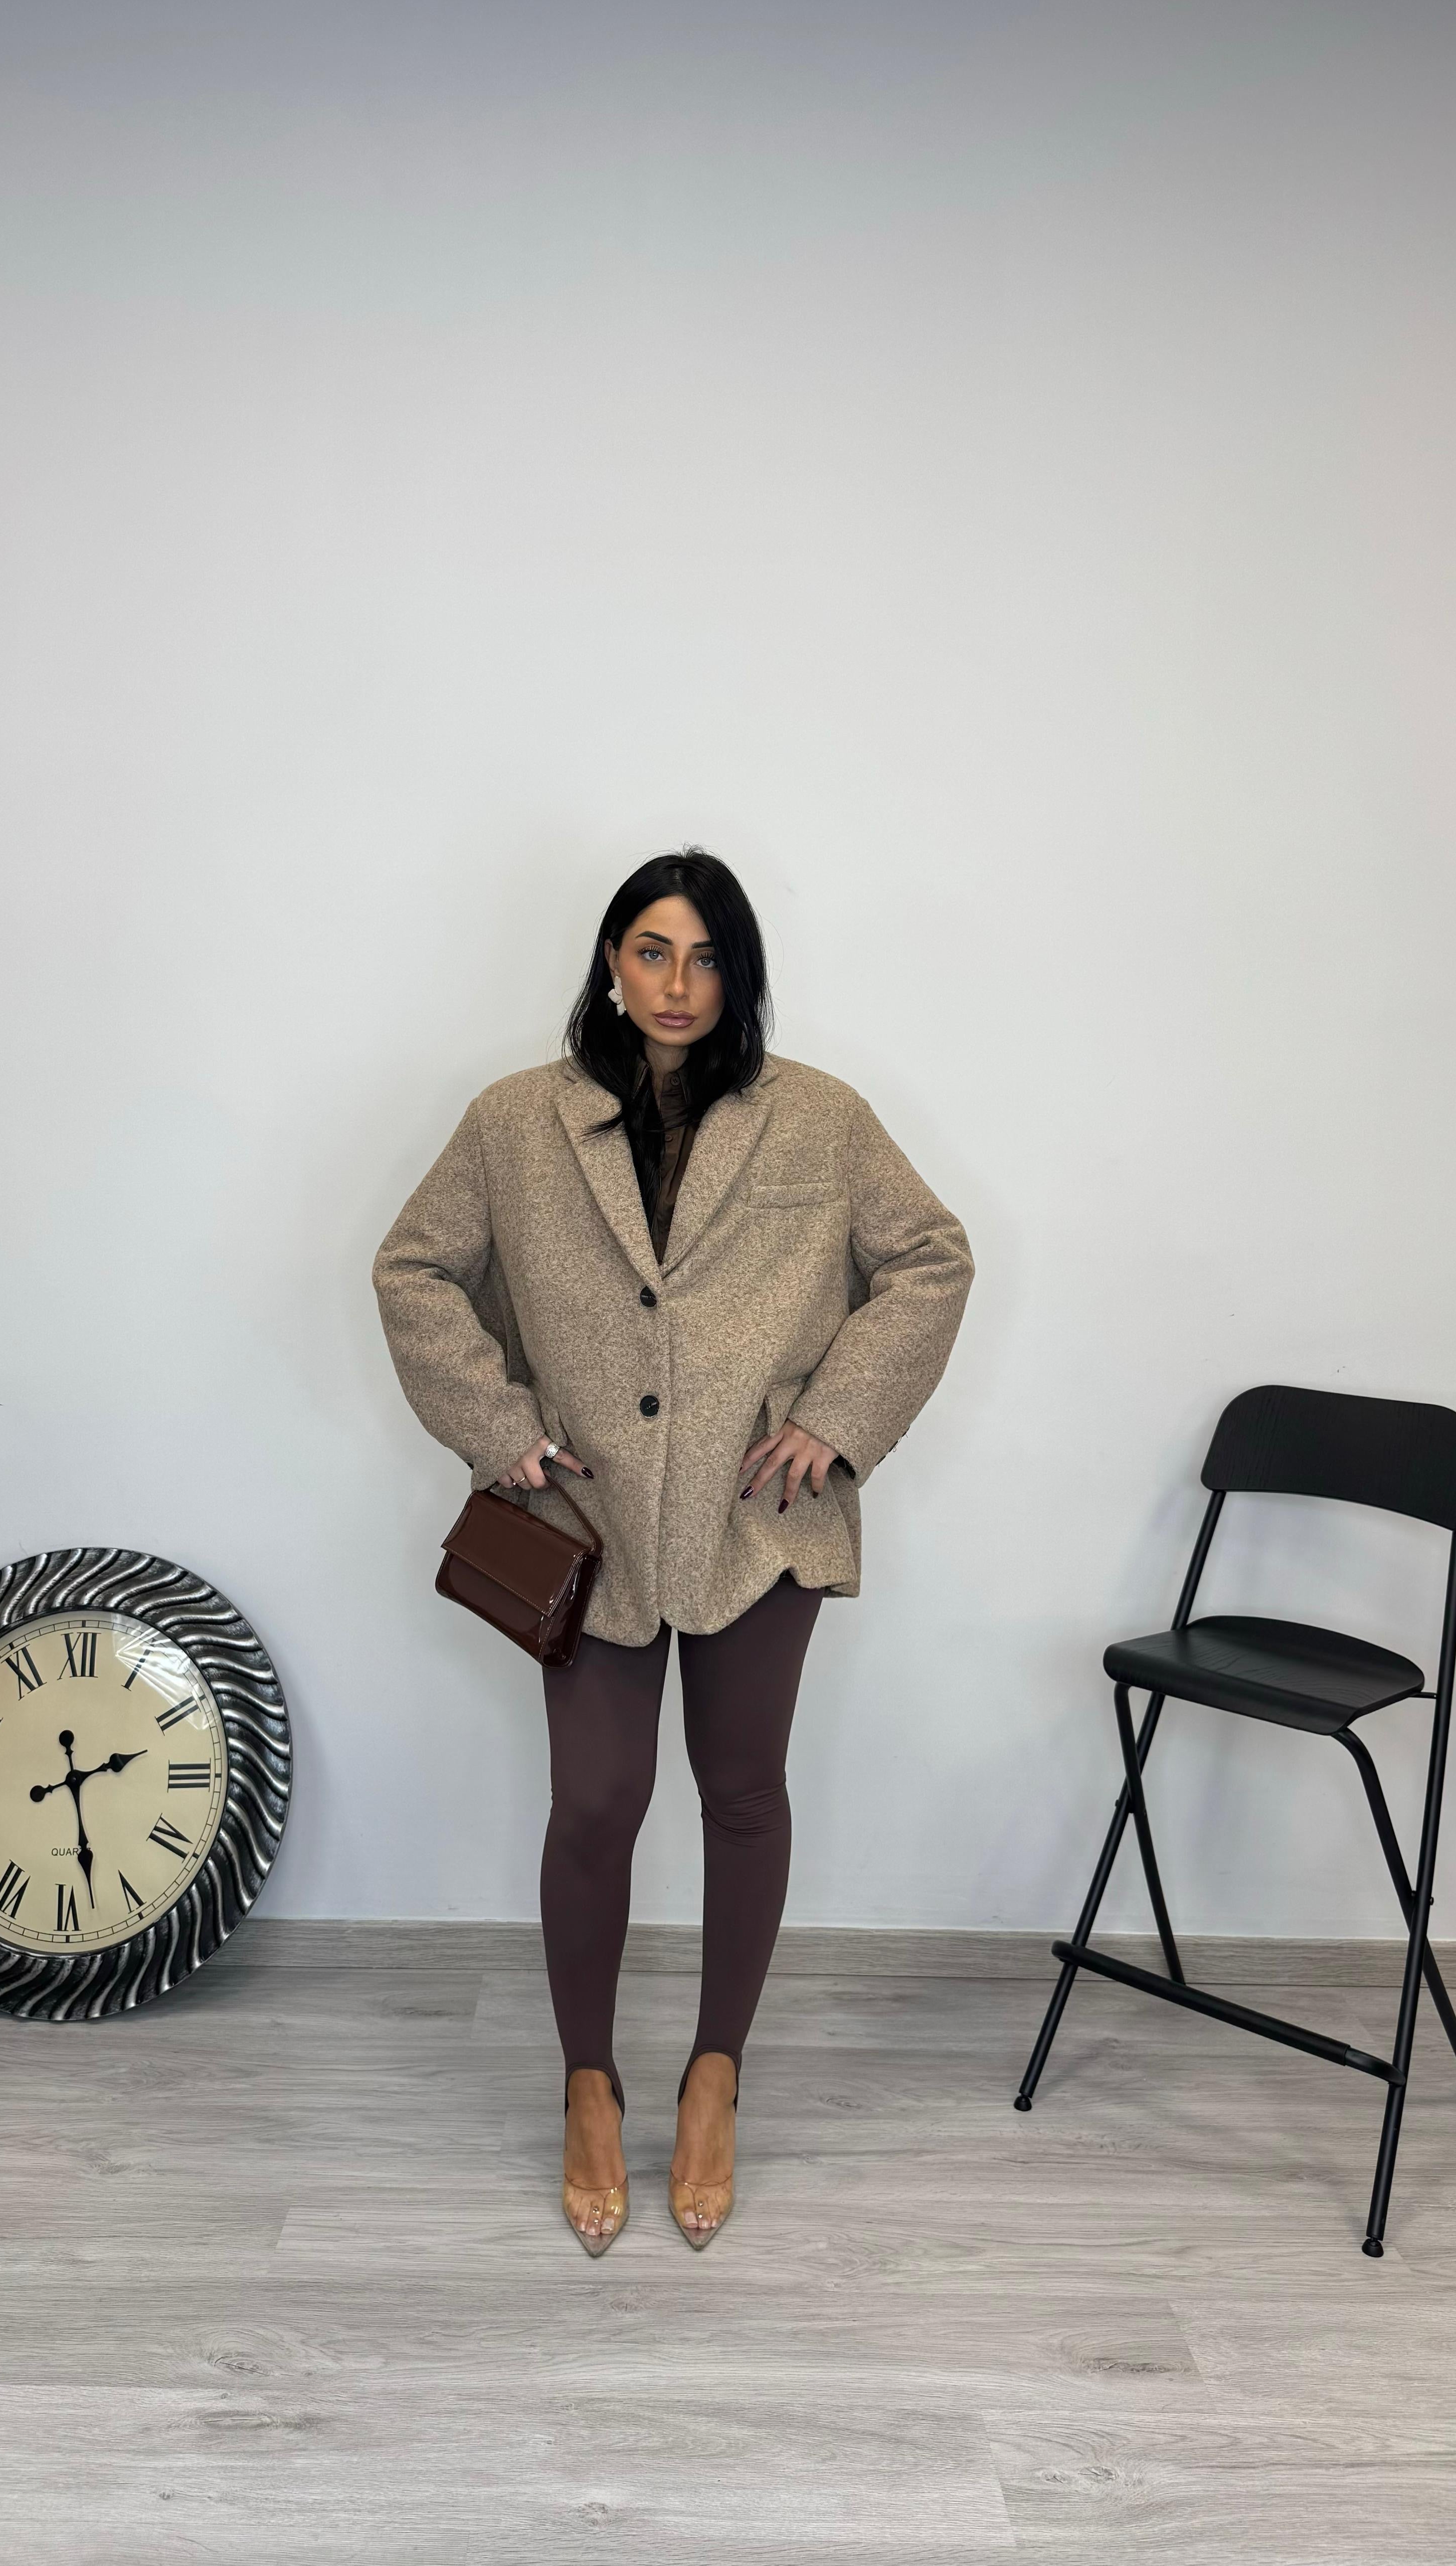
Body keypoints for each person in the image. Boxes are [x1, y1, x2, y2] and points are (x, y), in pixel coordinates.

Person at [373, 849, 972, 2253]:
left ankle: (715, 2076)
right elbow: (413, 1269)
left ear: (738, 974)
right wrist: (498, 1427)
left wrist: (836, 1417)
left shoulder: (818, 1118)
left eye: (705, 958)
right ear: (609, 962)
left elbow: (930, 1261)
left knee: (742, 1791)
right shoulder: (515, 1121)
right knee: (595, 1804)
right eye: (651, 951)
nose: (677, 984)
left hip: (757, 1516)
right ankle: (588, 2084)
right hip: (585, 1519)